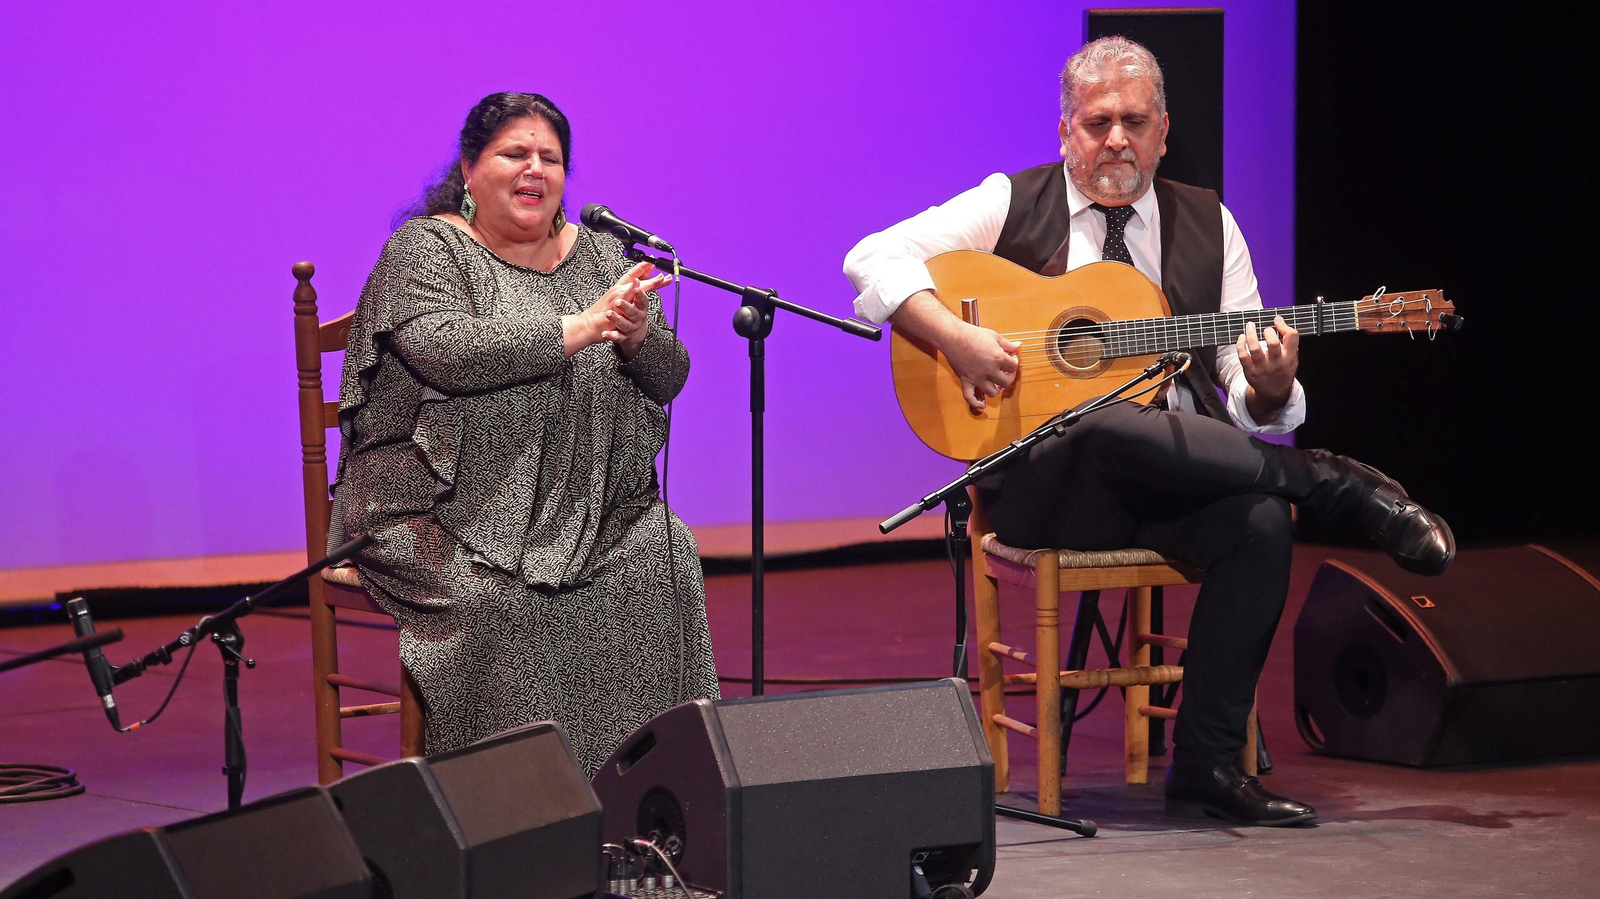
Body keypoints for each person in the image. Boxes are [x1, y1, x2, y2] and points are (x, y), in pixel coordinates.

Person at [843, 37, 1453, 826]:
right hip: (1048, 490)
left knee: (1262, 522)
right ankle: (1336, 480)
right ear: (1066, 132)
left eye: (1135, 121)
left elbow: (1241, 383)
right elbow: (872, 255)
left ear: (1164, 130)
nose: (1116, 140)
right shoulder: (1009, 201)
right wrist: (956, 339)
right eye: (1097, 123)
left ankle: (1204, 765)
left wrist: (1269, 393)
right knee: (1097, 422)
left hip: (1171, 483)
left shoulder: (1208, 223)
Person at [330, 92, 718, 774]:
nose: (534, 168)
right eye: (515, 153)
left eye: (551, 158)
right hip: (432, 510)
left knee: (665, 554)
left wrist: (633, 337)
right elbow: (447, 349)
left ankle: (649, 792)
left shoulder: (599, 254)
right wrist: (584, 327)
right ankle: (515, 805)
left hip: (586, 510)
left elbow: (669, 375)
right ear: (470, 169)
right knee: (499, 602)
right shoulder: (426, 248)